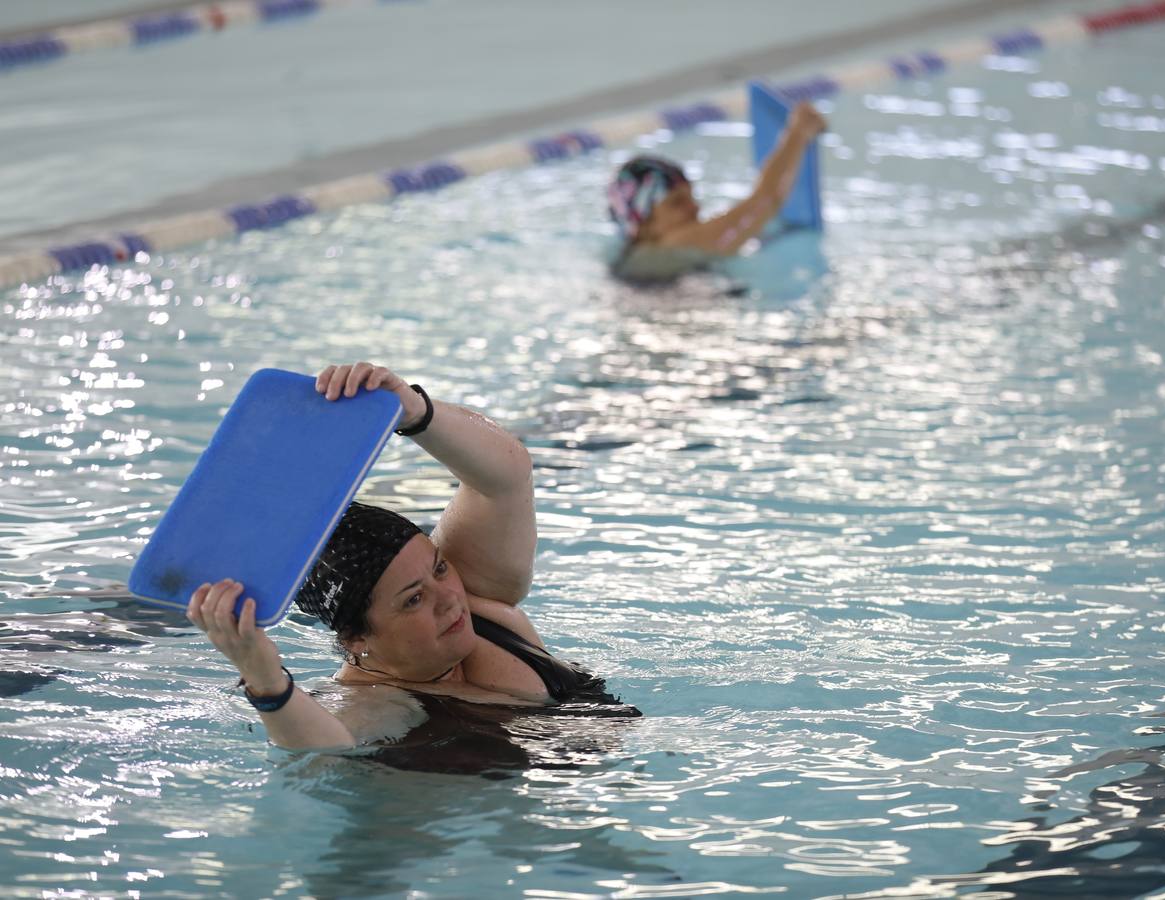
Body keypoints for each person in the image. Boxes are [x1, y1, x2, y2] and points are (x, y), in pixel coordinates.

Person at [186, 361, 636, 754]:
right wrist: (264, 679)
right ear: (356, 639)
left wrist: (415, 411)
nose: (448, 598)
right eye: (413, 599)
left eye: (438, 567)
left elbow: (505, 478)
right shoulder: (373, 701)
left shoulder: (479, 602)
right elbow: (327, 747)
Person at [606, 101, 827, 281]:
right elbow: (765, 202)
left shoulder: (632, 260)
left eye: (691, 197)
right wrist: (798, 132)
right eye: (677, 202)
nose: (695, 207)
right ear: (644, 221)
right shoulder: (672, 247)